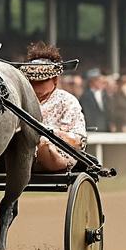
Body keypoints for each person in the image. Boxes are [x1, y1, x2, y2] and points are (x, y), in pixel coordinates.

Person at [22, 43, 86, 172]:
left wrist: (50, 134)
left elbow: (78, 141)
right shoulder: (19, 100)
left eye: (42, 81)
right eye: (32, 81)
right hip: (21, 152)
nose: (36, 86)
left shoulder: (67, 101)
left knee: (44, 144)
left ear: (55, 79)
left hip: (57, 152)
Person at [79, 68, 109, 134]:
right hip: (93, 130)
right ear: (92, 81)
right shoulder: (85, 96)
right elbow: (87, 115)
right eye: (99, 81)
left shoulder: (105, 95)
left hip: (105, 130)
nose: (102, 84)